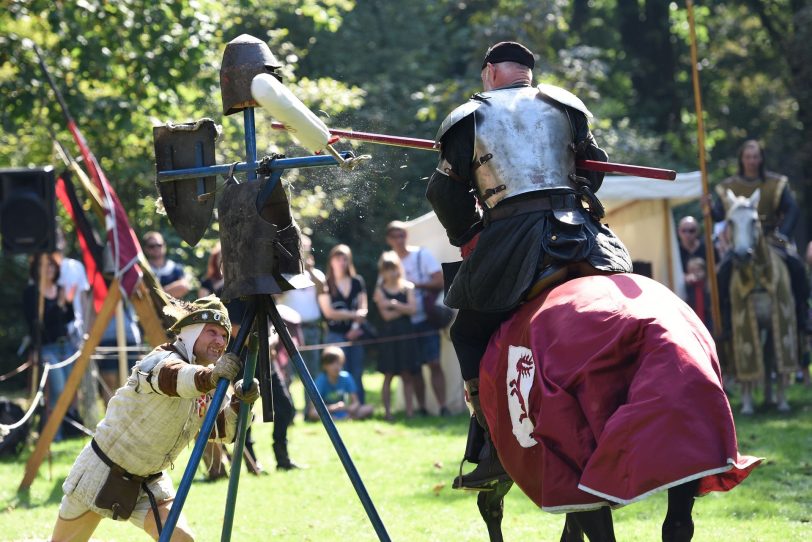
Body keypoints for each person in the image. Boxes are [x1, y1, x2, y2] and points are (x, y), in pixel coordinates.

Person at [426, 41, 632, 491]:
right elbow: (593, 168)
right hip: (579, 231)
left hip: (512, 239)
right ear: (528, 75)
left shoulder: (468, 117)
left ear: (489, 73)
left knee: (467, 332)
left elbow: (442, 194)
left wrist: (469, 236)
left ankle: (494, 450)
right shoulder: (565, 105)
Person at [50, 295, 259, 542]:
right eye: (211, 332)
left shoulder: (211, 382)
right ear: (191, 332)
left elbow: (223, 431)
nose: (220, 341)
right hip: (102, 471)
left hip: (150, 483)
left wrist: (240, 404)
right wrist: (210, 378)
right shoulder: (161, 360)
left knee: (181, 538)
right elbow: (175, 378)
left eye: (224, 336)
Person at [710, 139, 809, 340]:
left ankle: (802, 316)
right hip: (741, 242)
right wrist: (708, 208)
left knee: (797, 267)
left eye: (755, 157)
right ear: (742, 159)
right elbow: (719, 215)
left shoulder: (776, 184)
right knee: (722, 274)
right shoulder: (729, 186)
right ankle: (726, 323)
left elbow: (792, 209)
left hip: (771, 238)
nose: (752, 161)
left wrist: (784, 233)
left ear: (761, 158)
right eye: (748, 157)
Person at [385, 221, 450, 417]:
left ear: (406, 235)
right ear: (388, 239)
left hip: (426, 318)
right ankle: (421, 408)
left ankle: (443, 406)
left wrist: (414, 285)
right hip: (405, 323)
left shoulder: (421, 255)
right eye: (395, 236)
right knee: (414, 369)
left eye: (402, 234)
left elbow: (439, 280)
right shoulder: (388, 261)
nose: (399, 239)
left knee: (434, 363)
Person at [22, 255, 77, 442]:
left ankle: (57, 432)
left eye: (53, 266)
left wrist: (67, 304)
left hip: (66, 347)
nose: (50, 269)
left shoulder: (60, 289)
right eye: (45, 266)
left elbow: (68, 319)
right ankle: (52, 435)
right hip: (46, 349)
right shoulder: (32, 293)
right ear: (36, 269)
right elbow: (37, 323)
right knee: (57, 391)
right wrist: (59, 305)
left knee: (67, 392)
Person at [277, 234, 326, 417]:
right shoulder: (284, 272)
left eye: (307, 247)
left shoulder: (316, 274)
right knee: (287, 373)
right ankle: (288, 413)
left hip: (311, 328)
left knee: (311, 373)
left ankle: (310, 412)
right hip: (288, 328)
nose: (304, 251)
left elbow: (324, 289)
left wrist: (310, 270)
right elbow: (277, 295)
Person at [317, 244, 369, 404]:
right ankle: (337, 408)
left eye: (345, 259)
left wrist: (354, 328)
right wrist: (354, 314)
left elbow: (363, 308)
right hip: (334, 335)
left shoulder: (357, 281)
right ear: (331, 261)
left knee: (357, 371)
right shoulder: (325, 284)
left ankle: (358, 406)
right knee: (336, 372)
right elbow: (329, 312)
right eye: (338, 258)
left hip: (355, 334)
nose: (341, 262)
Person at [373, 251, 420, 420]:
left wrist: (393, 304)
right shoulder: (379, 290)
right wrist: (403, 308)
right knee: (389, 374)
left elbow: (413, 309)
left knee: (407, 374)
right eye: (387, 269)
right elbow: (386, 316)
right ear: (382, 271)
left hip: (406, 335)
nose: (391, 272)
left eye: (393, 268)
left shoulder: (408, 287)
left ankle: (410, 412)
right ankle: (387, 413)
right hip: (389, 336)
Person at [308, 346, 373, 421]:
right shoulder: (320, 380)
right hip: (328, 412)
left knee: (369, 408)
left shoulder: (346, 377)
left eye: (338, 363)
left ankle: (340, 419)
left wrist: (347, 408)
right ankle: (339, 419)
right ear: (324, 366)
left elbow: (356, 402)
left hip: (344, 411)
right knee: (313, 413)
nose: (336, 366)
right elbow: (314, 406)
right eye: (331, 363)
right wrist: (333, 407)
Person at [142, 231, 190, 298]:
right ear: (145, 248)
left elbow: (184, 287)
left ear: (164, 246)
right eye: (151, 246)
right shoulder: (142, 270)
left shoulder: (175, 268)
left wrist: (156, 295)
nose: (156, 248)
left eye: (159, 245)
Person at [685, 257, 712, 331]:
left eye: (699, 270)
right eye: (693, 271)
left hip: (708, 323)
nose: (696, 273)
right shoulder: (687, 287)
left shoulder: (709, 286)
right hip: (693, 324)